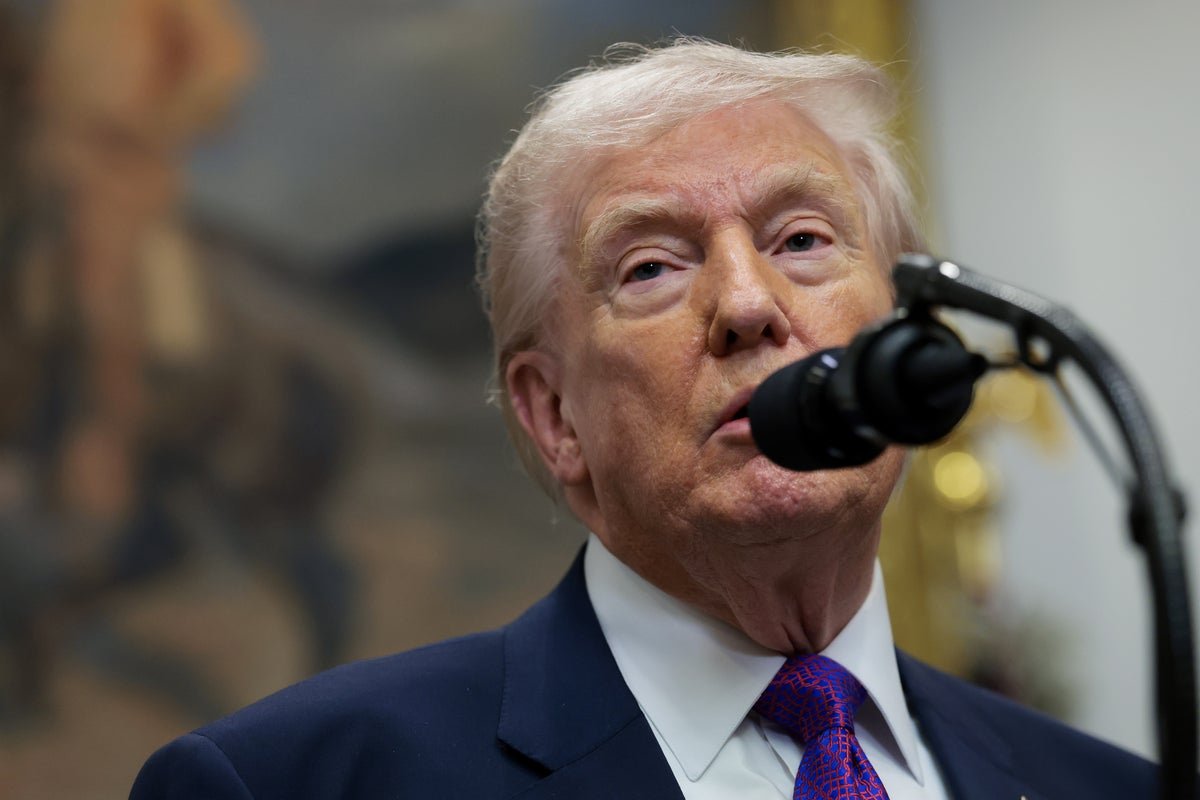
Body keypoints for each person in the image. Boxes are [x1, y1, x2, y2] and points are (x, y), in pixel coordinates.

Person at [130, 39, 1160, 799]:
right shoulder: (297, 782)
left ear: (896, 332)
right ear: (552, 414)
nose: (750, 305)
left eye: (801, 238)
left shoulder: (1106, 786)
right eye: (653, 266)